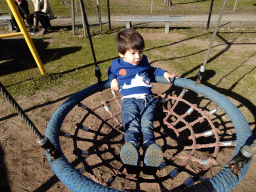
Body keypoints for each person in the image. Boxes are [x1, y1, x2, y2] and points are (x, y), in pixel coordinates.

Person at [108, 29, 178, 171]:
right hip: (129, 101)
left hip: (148, 100)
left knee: (147, 126)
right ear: (121, 53)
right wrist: (113, 80)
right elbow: (110, 72)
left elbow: (151, 70)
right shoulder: (117, 64)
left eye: (140, 52)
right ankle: (131, 155)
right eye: (133, 53)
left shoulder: (143, 60)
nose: (138, 56)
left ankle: (149, 153)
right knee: (132, 126)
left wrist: (163, 72)